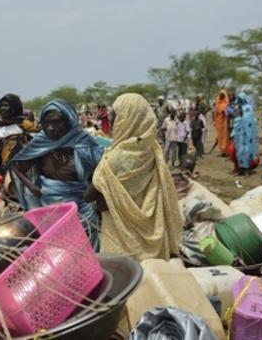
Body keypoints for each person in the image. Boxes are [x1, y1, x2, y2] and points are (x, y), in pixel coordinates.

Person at [88, 93, 181, 261]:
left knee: (127, 283)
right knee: (154, 282)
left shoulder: (113, 158)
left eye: (115, 118)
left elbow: (88, 195)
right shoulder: (153, 152)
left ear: (126, 121)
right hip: (154, 240)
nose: (114, 123)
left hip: (120, 243)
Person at [10, 99, 104, 248]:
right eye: (46, 123)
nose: (51, 128)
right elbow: (17, 165)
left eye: (56, 122)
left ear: (69, 121)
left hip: (82, 211)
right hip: (51, 212)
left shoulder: (84, 142)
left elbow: (103, 171)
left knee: (87, 255)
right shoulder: (41, 143)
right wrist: (33, 188)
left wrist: (96, 197)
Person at [0, 94, 31, 176]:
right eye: (1, 106)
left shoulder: (27, 124)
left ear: (15, 107)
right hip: (5, 169)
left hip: (28, 167)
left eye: (6, 105)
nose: (2, 108)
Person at [230, 93, 258, 176]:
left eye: (240, 98)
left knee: (246, 152)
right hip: (239, 135)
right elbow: (235, 119)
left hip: (247, 135)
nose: (238, 100)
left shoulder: (248, 108)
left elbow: (249, 121)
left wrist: (246, 130)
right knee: (239, 152)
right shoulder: (237, 107)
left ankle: (247, 171)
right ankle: (240, 170)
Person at [214, 90, 230, 155]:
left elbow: (228, 112)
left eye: (222, 95)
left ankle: (226, 150)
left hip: (225, 122)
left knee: (225, 136)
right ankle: (222, 150)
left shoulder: (227, 103)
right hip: (218, 122)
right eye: (220, 94)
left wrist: (224, 112)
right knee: (220, 136)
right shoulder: (217, 102)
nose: (221, 96)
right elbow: (215, 112)